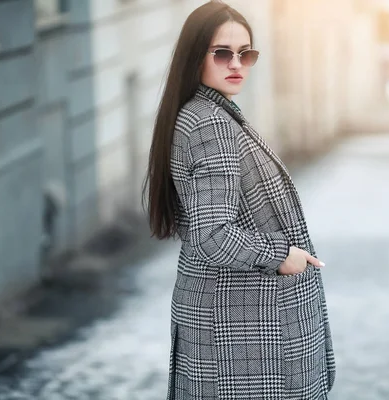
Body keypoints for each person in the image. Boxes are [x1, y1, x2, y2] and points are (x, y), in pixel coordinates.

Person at [143, 1, 335, 398]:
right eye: (222, 53)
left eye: (246, 53)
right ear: (196, 55)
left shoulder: (206, 112)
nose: (237, 64)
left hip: (237, 322)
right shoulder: (211, 123)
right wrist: (282, 255)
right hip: (243, 330)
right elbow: (211, 234)